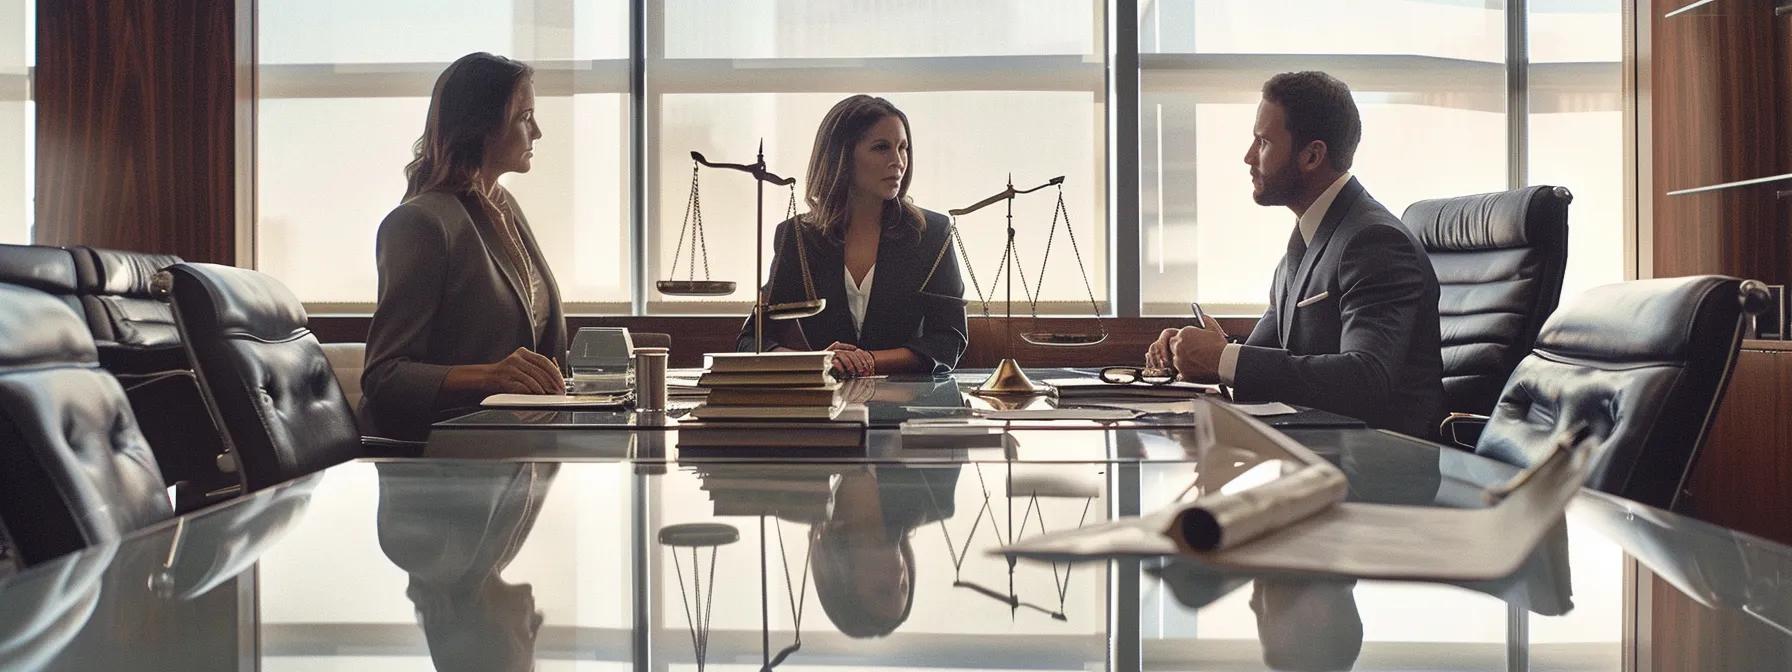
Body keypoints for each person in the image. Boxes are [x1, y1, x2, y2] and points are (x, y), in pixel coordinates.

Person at [1147, 71, 1444, 438]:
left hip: (1378, 469)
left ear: (1312, 155)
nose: (1248, 157)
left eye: (1263, 142)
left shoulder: (1374, 241)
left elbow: (1367, 379)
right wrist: (1194, 351)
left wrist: (1222, 359)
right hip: (1313, 453)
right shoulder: (1306, 241)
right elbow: (1260, 357)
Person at [360, 52, 567, 440]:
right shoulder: (421, 222)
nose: (537, 131)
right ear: (483, 126)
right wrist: (489, 376)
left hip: (516, 449)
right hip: (442, 460)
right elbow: (384, 377)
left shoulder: (504, 208)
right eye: (525, 117)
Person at [735, 94, 968, 377]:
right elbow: (752, 341)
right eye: (882, 147)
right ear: (842, 156)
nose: (898, 161)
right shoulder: (797, 237)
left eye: (903, 148)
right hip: (822, 409)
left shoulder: (932, 233)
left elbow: (948, 340)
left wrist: (869, 360)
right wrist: (819, 362)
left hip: (907, 404)